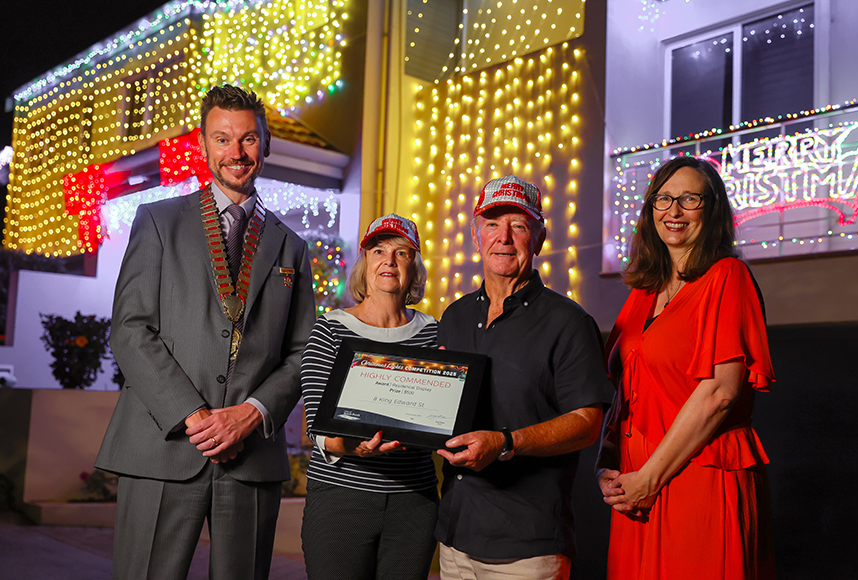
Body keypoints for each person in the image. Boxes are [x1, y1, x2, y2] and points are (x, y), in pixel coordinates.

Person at [95, 84, 315, 580]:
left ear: (266, 145)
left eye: (249, 139)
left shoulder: (292, 247)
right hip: (164, 444)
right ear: (203, 145)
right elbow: (130, 329)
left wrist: (249, 414)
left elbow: (302, 352)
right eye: (222, 139)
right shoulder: (157, 222)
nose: (236, 153)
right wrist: (193, 415)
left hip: (251, 455)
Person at [597, 156, 776, 579]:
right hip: (636, 483)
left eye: (689, 199)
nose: (673, 212)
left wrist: (650, 478)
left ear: (712, 209)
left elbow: (719, 394)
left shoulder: (727, 276)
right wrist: (606, 459)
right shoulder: (645, 290)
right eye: (663, 199)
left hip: (694, 475)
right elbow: (623, 388)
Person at [435, 176, 613, 579]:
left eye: (518, 225)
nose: (504, 237)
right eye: (493, 224)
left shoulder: (568, 323)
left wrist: (505, 443)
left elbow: (588, 424)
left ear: (539, 237)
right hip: (455, 535)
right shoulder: (455, 317)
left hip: (528, 547)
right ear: (475, 234)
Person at [300, 213, 439, 580]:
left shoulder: (434, 334)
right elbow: (316, 425)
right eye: (378, 251)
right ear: (365, 263)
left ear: (415, 266)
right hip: (341, 499)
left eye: (402, 253)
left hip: (415, 501)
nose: (389, 261)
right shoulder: (330, 329)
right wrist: (353, 447)